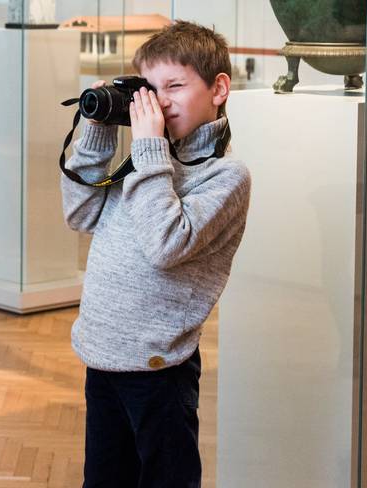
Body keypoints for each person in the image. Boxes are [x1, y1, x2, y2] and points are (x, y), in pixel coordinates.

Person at [60, 20, 251, 487]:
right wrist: (101, 134)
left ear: (218, 89)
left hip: (159, 369)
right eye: (150, 88)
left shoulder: (226, 178)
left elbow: (165, 244)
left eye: (176, 86)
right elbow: (80, 215)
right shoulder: (147, 162)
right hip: (103, 356)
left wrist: (148, 147)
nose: (161, 101)